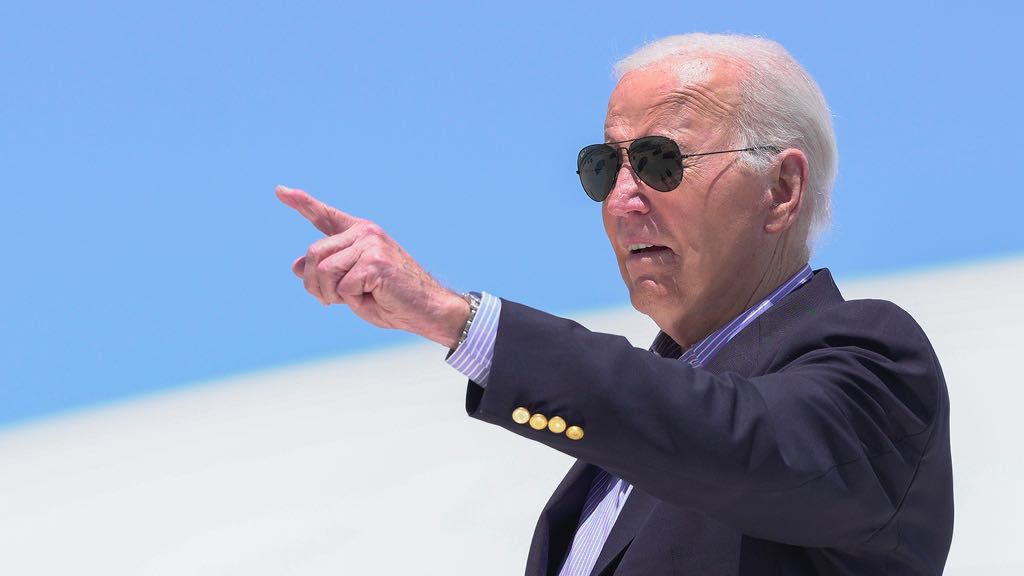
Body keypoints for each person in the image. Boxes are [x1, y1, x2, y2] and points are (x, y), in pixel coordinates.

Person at [277, 33, 953, 576]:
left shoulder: (874, 362)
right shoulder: (619, 451)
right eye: (605, 167)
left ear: (780, 188)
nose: (623, 198)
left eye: (662, 163)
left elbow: (728, 437)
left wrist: (456, 318)